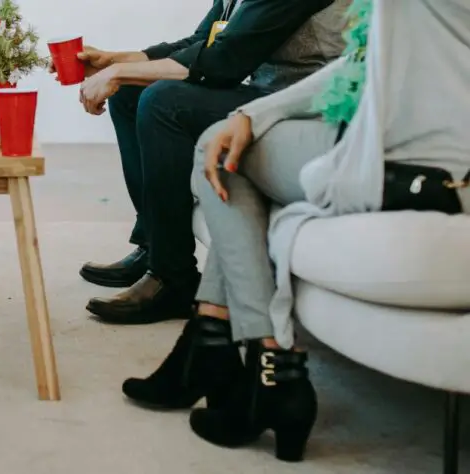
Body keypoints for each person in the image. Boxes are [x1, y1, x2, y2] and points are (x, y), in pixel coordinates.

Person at [124, 0, 470, 461]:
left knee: (219, 150)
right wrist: (254, 114)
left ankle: (262, 358)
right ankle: (216, 343)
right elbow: (368, 58)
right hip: (405, 147)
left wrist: (253, 116)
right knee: (229, 141)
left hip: (410, 159)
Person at [60, 0, 350, 324]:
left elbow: (224, 60)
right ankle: (154, 245)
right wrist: (115, 62)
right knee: (131, 94)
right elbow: (203, 41)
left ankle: (172, 280)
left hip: (299, 106)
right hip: (264, 91)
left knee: (163, 101)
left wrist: (119, 71)